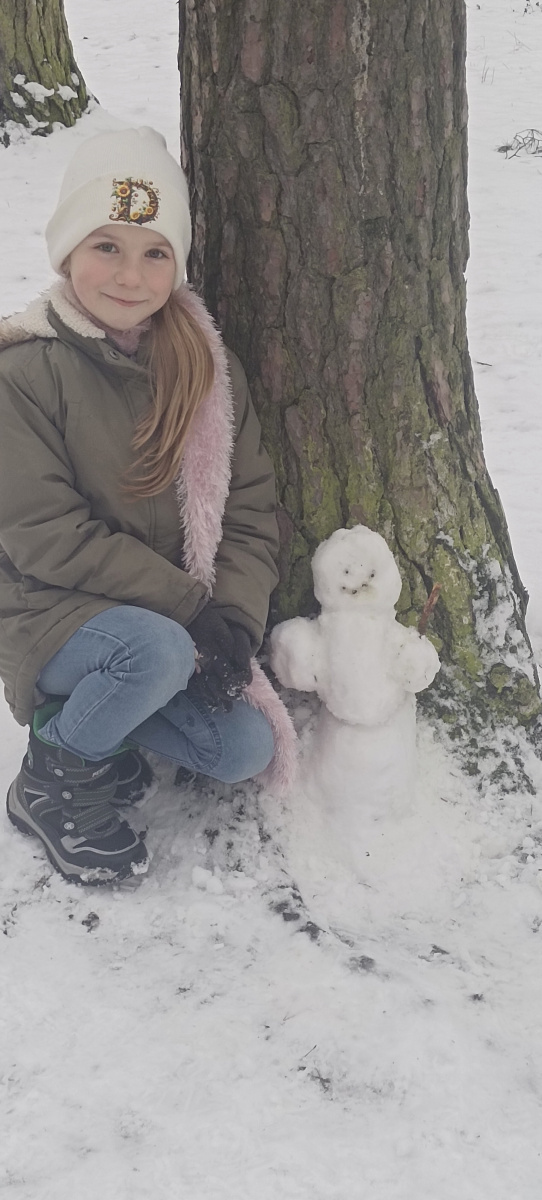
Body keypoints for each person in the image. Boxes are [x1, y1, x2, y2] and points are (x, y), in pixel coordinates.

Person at [0, 126, 295, 886]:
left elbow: (249, 509)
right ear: (67, 250)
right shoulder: (24, 373)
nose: (130, 276)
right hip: (51, 610)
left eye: (155, 252)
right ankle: (53, 775)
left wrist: (232, 623)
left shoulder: (206, 369)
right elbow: (46, 535)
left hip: (170, 618)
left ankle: (107, 727)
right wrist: (188, 610)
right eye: (107, 246)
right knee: (154, 651)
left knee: (243, 749)